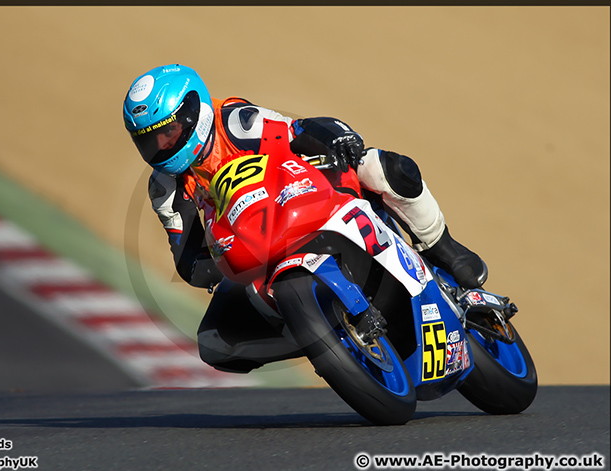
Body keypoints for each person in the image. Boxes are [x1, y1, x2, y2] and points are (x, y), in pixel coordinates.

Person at [123, 64, 488, 374]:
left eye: (168, 133)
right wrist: (217, 257)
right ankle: (319, 334)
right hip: (254, 247)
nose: (162, 147)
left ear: (193, 113)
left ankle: (444, 248)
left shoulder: (236, 122)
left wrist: (340, 139)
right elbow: (189, 259)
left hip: (305, 194)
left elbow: (300, 131)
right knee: (215, 343)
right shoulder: (165, 188)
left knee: (383, 167)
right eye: (149, 141)